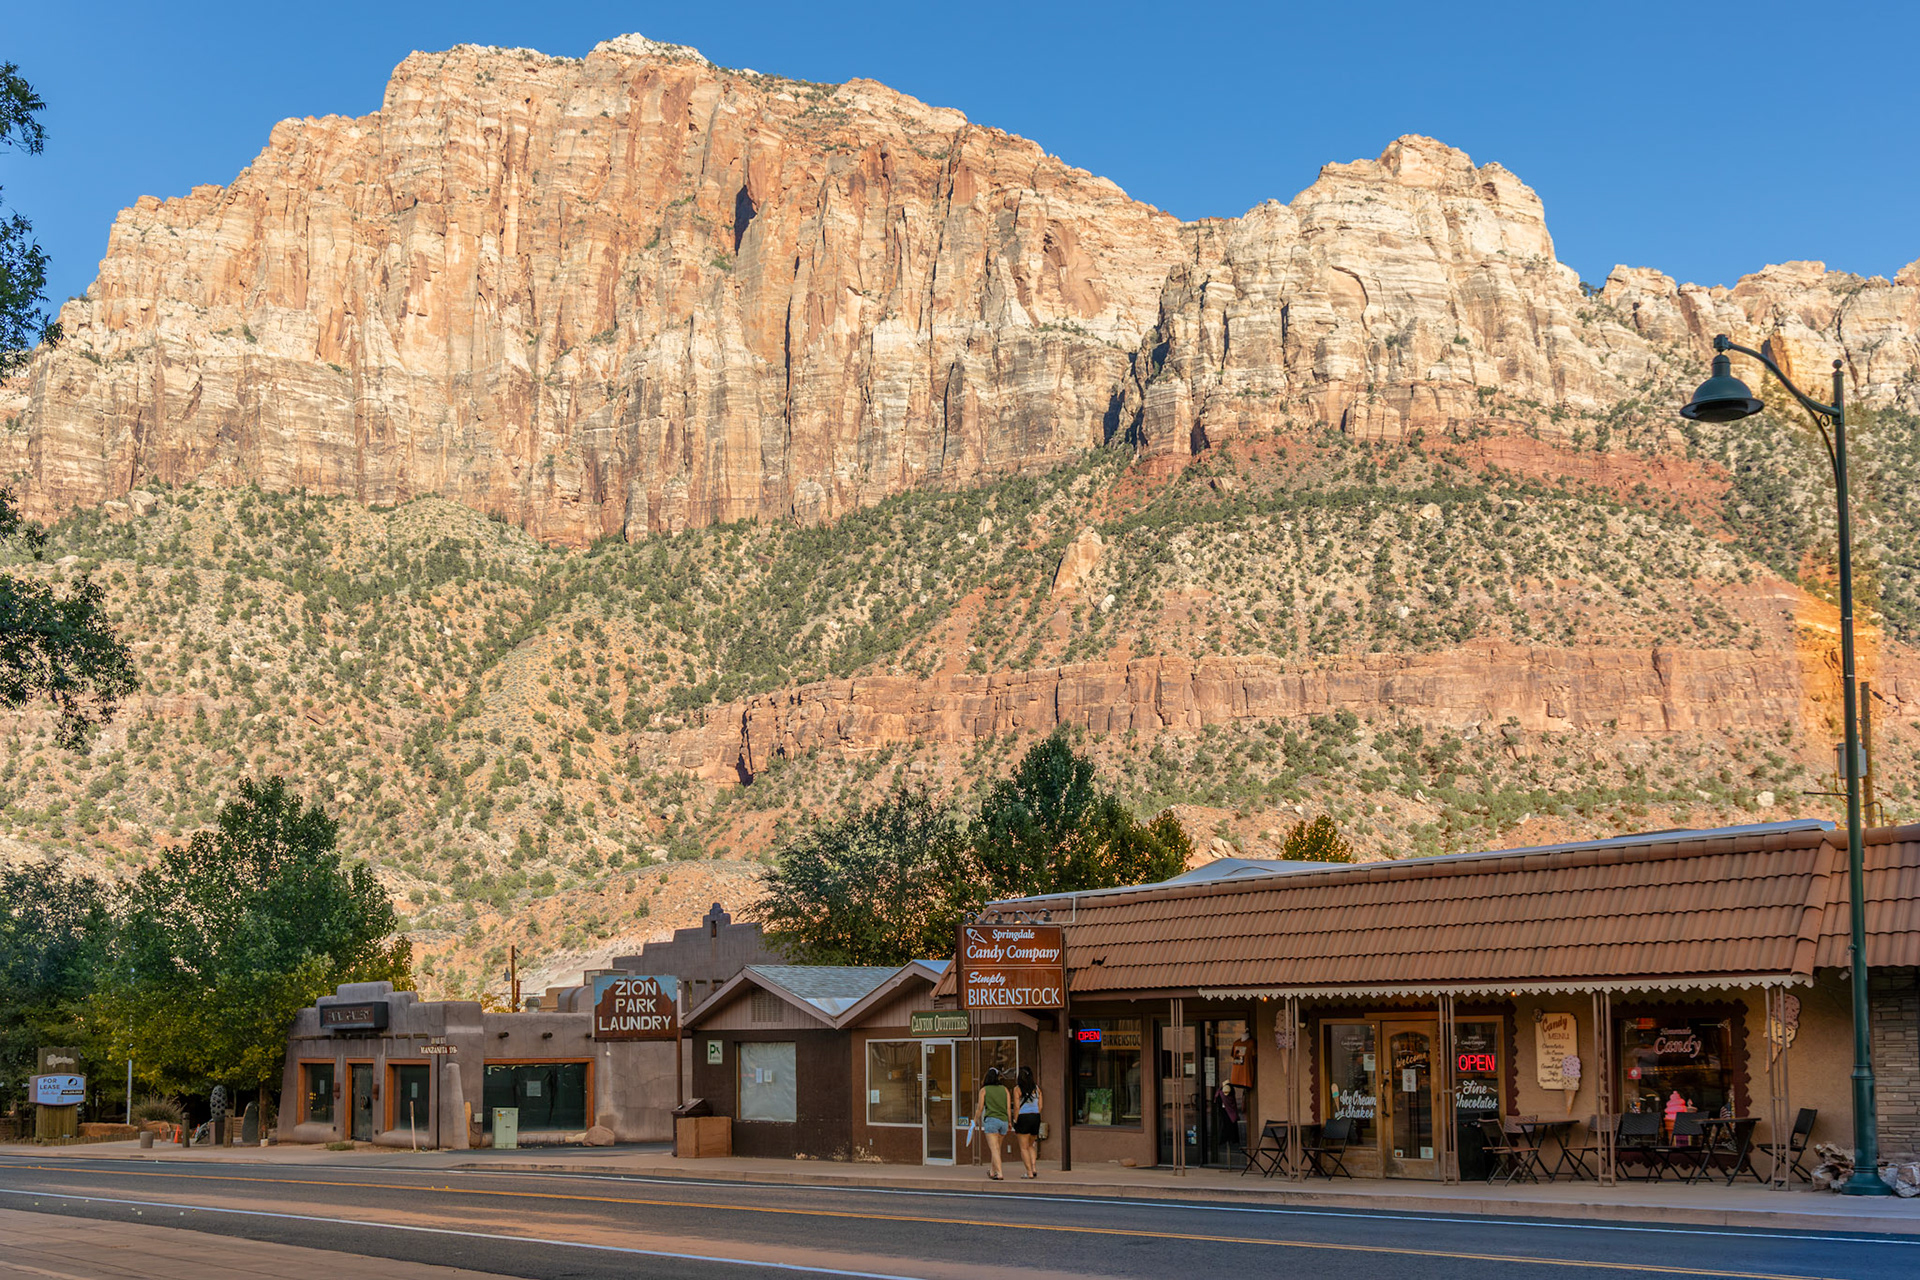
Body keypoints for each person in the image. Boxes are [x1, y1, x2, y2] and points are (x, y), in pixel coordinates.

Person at [972, 1066, 1011, 1180]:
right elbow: (1008, 1108)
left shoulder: (984, 1090)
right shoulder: (1005, 1089)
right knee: (997, 1148)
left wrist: (974, 1121)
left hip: (991, 1120)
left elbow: (979, 1108)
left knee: (994, 1149)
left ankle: (999, 1173)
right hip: (1003, 1120)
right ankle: (992, 1171)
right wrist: (1009, 1122)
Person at [1012, 1066, 1043, 1179]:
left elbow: (1016, 1106)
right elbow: (1040, 1106)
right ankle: (1034, 1168)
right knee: (1031, 1145)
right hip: (1035, 1117)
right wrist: (1035, 1114)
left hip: (1023, 1117)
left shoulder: (1017, 1089)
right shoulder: (1037, 1088)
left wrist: (1015, 1120)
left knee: (1023, 1147)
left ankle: (1029, 1172)